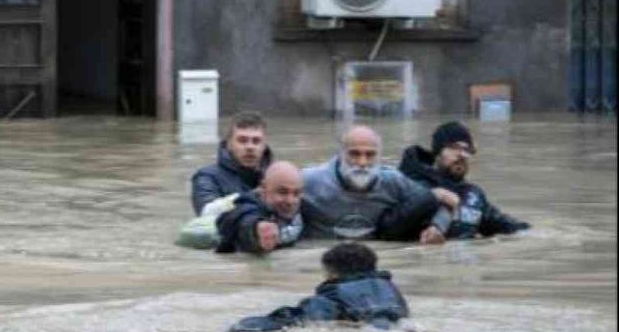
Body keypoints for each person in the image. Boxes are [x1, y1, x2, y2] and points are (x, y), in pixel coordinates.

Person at [302, 124, 443, 243]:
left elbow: (434, 203)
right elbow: (281, 197)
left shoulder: (393, 182)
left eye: (370, 155)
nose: (362, 163)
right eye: (354, 154)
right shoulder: (311, 181)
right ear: (341, 155)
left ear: (379, 156)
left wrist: (436, 226)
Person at [228, 242, 409, 332]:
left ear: (333, 275)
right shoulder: (391, 291)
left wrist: (242, 326)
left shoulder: (333, 294)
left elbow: (301, 320)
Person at [398, 121, 531, 240]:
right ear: (437, 153)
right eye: (453, 147)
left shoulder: (472, 195)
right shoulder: (409, 186)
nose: (461, 155)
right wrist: (434, 197)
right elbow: (390, 226)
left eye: (466, 149)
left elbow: (507, 226)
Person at [189, 111, 274, 214]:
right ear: (229, 143)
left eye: (256, 141)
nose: (250, 147)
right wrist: (255, 195)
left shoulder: (278, 176)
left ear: (264, 145)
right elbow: (206, 212)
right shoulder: (207, 177)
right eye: (242, 140)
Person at [215, 161, 306, 254]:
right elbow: (240, 218)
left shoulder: (305, 207)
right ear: (263, 189)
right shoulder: (248, 205)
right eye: (282, 192)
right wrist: (255, 229)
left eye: (296, 193)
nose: (290, 201)